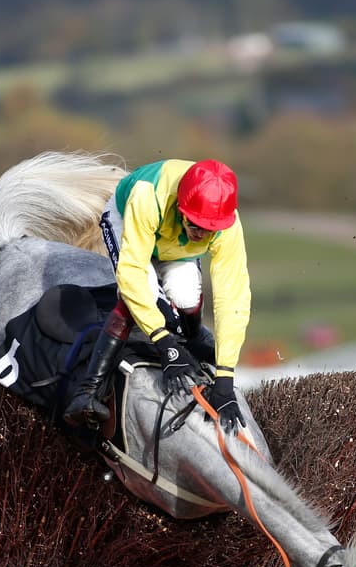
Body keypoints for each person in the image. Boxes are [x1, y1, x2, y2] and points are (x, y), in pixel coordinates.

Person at [64, 158, 251, 434]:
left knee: (186, 296)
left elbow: (232, 295)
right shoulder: (147, 195)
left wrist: (225, 376)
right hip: (127, 217)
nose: (201, 234)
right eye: (196, 224)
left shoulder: (228, 225)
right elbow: (133, 274)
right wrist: (164, 343)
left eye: (209, 229)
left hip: (171, 236)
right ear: (181, 207)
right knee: (146, 297)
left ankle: (194, 335)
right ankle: (88, 389)